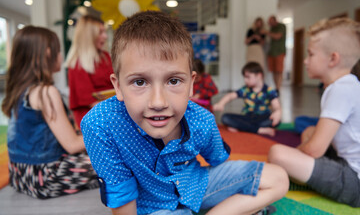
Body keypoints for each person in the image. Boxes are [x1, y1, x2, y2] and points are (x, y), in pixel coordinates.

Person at [81, 11, 288, 215]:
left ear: (191, 84)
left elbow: (220, 161)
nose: (158, 102)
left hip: (196, 186)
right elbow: (121, 194)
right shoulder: (100, 124)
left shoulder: (202, 120)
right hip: (153, 207)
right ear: (117, 87)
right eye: (140, 82)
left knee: (279, 178)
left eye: (173, 81)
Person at [268, 17, 360, 207]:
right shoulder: (348, 84)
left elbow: (314, 149)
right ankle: (306, 172)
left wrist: (297, 154)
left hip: (354, 181)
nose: (305, 60)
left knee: (277, 153)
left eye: (311, 54)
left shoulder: (340, 89)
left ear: (333, 59)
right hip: (346, 161)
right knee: (309, 130)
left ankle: (301, 175)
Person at [2, 26, 98, 199]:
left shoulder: (20, 90)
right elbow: (72, 145)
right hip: (45, 176)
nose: (61, 55)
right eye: (59, 50)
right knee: (116, 162)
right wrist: (109, 132)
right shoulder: (45, 92)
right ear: (47, 53)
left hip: (19, 174)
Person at [65, 15, 114, 128]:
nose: (105, 36)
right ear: (89, 35)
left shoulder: (105, 56)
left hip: (109, 112)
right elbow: (90, 101)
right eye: (100, 32)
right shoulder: (77, 64)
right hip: (94, 118)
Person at [213, 62, 281, 137]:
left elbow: (276, 105)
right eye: (244, 77)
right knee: (225, 118)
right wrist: (221, 104)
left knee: (276, 121)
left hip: (262, 117)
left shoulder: (269, 90)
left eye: (248, 77)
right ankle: (260, 130)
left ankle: (242, 127)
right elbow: (230, 96)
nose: (245, 80)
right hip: (247, 117)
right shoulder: (245, 89)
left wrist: (277, 112)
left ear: (259, 75)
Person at [267, 15, 286, 92]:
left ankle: (278, 88)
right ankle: (276, 87)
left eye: (271, 22)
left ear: (275, 20)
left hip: (279, 52)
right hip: (271, 52)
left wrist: (266, 32)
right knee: (273, 71)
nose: (270, 24)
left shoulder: (281, 26)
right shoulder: (271, 28)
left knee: (279, 70)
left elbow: (278, 36)